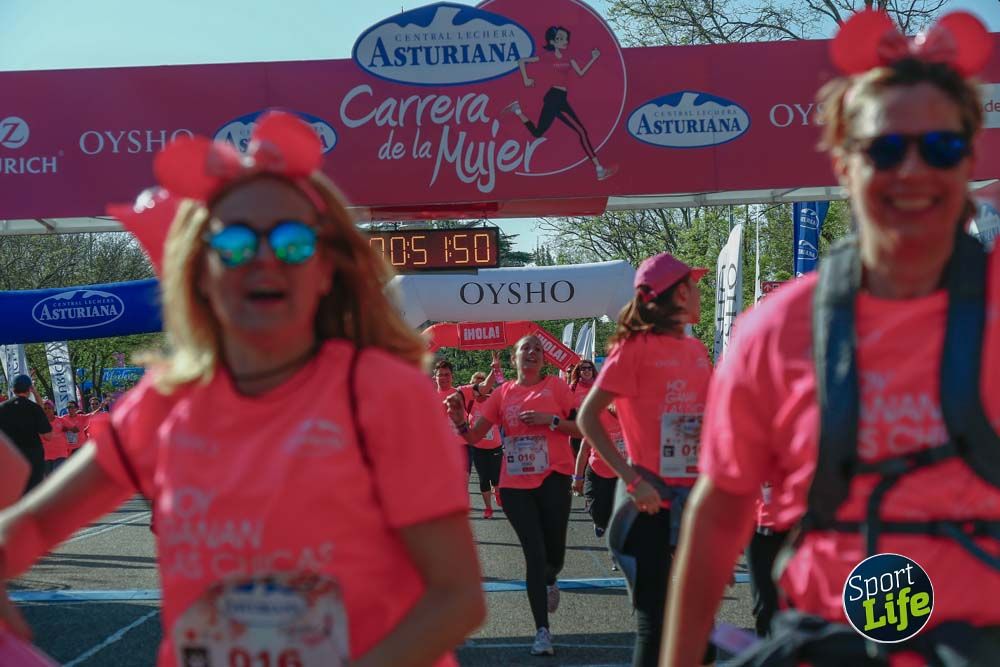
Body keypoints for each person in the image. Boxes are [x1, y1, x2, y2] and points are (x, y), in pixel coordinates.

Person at [0, 111, 485, 667]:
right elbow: (36, 522)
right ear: (197, 270)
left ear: (327, 269)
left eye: (293, 241)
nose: (262, 257)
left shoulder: (381, 392)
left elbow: (455, 598)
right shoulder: (165, 402)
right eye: (232, 241)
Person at [663, 11, 1000, 666]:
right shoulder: (774, 331)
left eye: (941, 148)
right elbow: (718, 514)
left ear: (970, 161)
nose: (912, 169)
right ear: (844, 163)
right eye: (883, 149)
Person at [577, 253, 714, 667]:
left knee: (700, 635)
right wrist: (633, 481)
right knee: (654, 627)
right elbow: (587, 417)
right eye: (693, 284)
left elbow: (705, 422)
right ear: (675, 295)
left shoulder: (696, 350)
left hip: (692, 499)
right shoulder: (633, 351)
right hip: (647, 500)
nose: (699, 292)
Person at [447, 334, 581, 657]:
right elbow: (476, 435)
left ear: (544, 360)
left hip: (553, 477)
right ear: (514, 359)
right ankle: (542, 631)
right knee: (534, 555)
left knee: (555, 555)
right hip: (515, 485)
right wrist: (458, 422)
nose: (532, 353)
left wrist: (551, 421)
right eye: (525, 349)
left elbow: (581, 428)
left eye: (537, 349)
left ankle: (551, 577)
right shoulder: (502, 394)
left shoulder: (557, 388)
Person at [505, 26, 615, 181]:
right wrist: (526, 79)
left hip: (561, 98)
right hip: (554, 98)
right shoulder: (548, 56)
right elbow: (521, 61)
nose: (564, 41)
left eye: (565, 38)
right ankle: (599, 170)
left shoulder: (568, 57)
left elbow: (581, 72)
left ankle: (517, 110)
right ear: (552, 42)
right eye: (559, 39)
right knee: (581, 131)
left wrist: (594, 58)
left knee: (537, 133)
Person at [570, 361, 621, 540]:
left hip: (621, 472)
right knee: (598, 511)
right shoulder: (599, 416)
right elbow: (584, 450)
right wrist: (577, 478)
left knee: (616, 513)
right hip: (597, 468)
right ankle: (598, 521)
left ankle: (615, 544)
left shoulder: (632, 419)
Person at [0, 375, 53, 494]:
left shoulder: (2, 408)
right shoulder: (34, 408)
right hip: (33, 457)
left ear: (13, 390)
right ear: (29, 389)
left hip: (11, 457)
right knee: (35, 493)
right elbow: (48, 436)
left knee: (14, 492)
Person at [467, 370, 503, 519]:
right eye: (478, 382)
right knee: (483, 479)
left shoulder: (494, 399)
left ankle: (498, 492)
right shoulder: (469, 402)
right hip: (477, 447)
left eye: (484, 381)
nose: (481, 384)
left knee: (495, 478)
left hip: (495, 445)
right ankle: (488, 508)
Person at [40, 401, 67, 476]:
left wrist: (67, 429)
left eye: (49, 408)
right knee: (50, 479)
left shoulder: (61, 420)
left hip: (60, 454)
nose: (47, 410)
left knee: (58, 475)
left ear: (53, 409)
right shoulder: (39, 423)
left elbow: (75, 429)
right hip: (46, 456)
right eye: (45, 408)